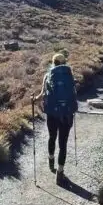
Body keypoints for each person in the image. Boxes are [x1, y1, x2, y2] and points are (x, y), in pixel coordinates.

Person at [36, 52, 78, 184]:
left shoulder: (48, 76)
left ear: (53, 62)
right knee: (63, 143)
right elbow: (73, 94)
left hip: (52, 114)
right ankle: (60, 173)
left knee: (52, 137)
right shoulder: (69, 75)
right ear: (64, 62)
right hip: (66, 114)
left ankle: (51, 160)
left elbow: (42, 95)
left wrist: (35, 100)